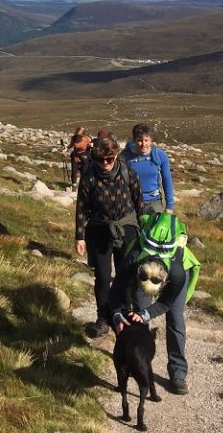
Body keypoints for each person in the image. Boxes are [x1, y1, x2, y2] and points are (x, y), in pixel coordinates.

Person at [110, 212, 201, 395]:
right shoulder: (133, 258)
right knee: (139, 314)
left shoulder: (177, 273)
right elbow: (116, 290)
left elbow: (166, 303)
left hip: (177, 269)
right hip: (142, 268)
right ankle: (139, 361)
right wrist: (117, 314)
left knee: (175, 320)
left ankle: (178, 374)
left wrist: (148, 313)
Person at [74, 135, 143, 337]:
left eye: (109, 159)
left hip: (127, 228)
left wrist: (144, 229)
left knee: (126, 273)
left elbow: (139, 200)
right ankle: (103, 318)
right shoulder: (89, 176)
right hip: (99, 230)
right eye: (101, 160)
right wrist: (79, 237)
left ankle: (126, 313)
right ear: (95, 158)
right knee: (103, 277)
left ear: (115, 157)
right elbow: (81, 207)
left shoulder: (126, 171)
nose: (105, 164)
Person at [120, 123, 175, 215]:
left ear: (151, 140)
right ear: (134, 140)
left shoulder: (160, 155)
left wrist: (169, 205)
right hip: (131, 203)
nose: (143, 144)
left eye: (146, 140)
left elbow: (167, 181)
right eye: (140, 141)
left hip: (154, 202)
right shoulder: (124, 156)